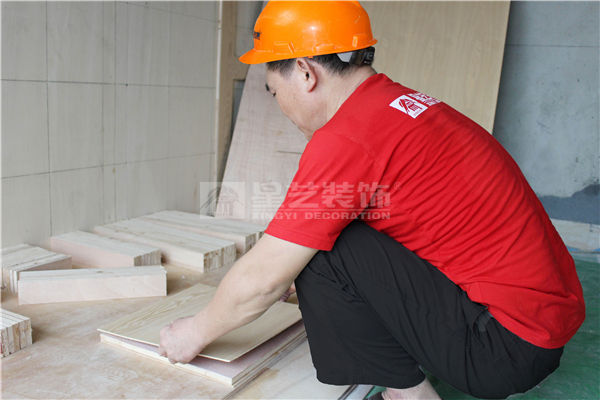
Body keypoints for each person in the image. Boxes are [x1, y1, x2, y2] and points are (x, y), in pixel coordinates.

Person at [158, 2, 585, 399]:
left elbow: (263, 279)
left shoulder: (348, 137)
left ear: (305, 73)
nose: (280, 107)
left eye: (274, 92)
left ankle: (408, 395)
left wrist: (193, 332)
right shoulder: (401, 105)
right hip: (540, 322)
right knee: (325, 236)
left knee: (322, 252)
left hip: (502, 346)